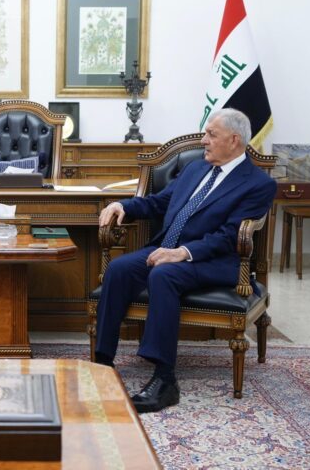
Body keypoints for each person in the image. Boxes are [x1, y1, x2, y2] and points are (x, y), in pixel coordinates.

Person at [95, 108, 276, 413]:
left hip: (214, 261)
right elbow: (159, 203)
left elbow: (228, 236)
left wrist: (183, 253)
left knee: (163, 275)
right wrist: (122, 205)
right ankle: (102, 363)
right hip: (168, 250)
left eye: (211, 135)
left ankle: (165, 380)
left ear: (234, 140)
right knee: (119, 268)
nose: (203, 140)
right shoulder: (196, 169)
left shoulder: (258, 184)